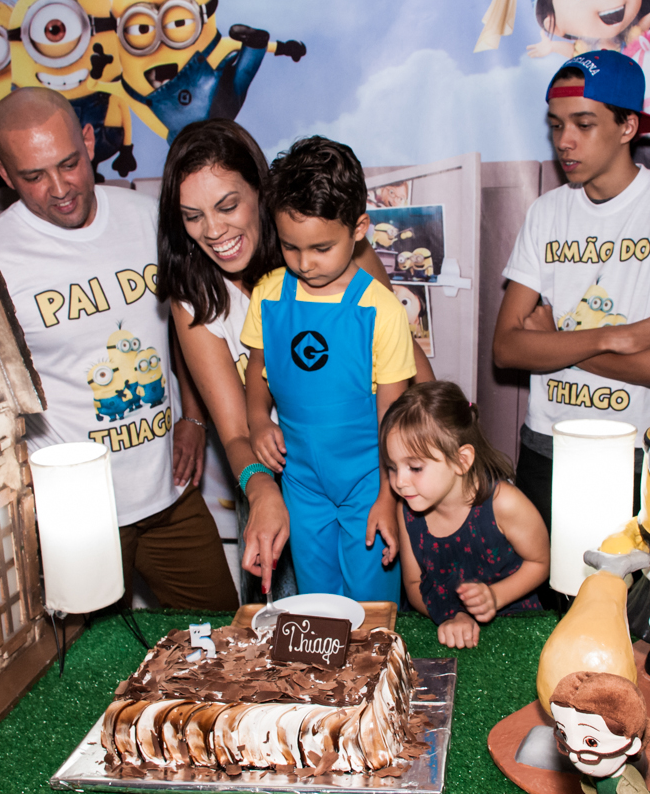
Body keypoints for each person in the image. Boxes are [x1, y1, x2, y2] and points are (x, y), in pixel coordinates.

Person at [154, 119, 434, 601]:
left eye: (227, 205)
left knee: (375, 608)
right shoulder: (197, 299)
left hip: (371, 470)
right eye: (192, 215)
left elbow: (410, 379)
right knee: (297, 624)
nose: (214, 230)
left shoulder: (350, 259)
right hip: (274, 480)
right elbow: (239, 429)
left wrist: (428, 454)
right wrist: (261, 487)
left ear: (261, 194)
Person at [0, 87, 238, 611]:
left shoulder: (149, 218)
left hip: (172, 495)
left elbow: (184, 328)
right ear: (4, 175)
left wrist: (193, 418)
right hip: (77, 518)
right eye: (33, 176)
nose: (59, 188)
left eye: (69, 164)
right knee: (84, 678)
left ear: (89, 140)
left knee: (224, 641)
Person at [492, 50, 650, 534]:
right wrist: (609, 338)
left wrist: (556, 341)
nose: (565, 140)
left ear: (628, 127)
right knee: (550, 604)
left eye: (583, 123)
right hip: (546, 447)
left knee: (628, 601)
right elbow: (506, 348)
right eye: (556, 125)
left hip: (637, 452)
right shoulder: (546, 213)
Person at [241, 136, 415, 603]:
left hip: (367, 480)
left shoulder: (381, 310)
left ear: (359, 228)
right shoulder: (269, 294)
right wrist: (258, 421)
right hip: (301, 482)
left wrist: (387, 495)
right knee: (317, 604)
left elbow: (393, 417)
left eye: (321, 247)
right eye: (290, 247)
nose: (304, 263)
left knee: (372, 605)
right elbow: (257, 373)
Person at [382, 381, 548, 648]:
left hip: (516, 630)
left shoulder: (504, 504)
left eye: (414, 467)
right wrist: (452, 614)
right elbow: (413, 584)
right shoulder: (408, 511)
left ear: (462, 460)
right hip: (444, 627)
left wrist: (494, 596)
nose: (399, 482)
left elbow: (540, 563)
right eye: (392, 467)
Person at [550, 671, 650, 793]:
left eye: (591, 742)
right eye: (564, 735)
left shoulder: (628, 788)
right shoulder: (592, 776)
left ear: (631, 745)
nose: (573, 756)